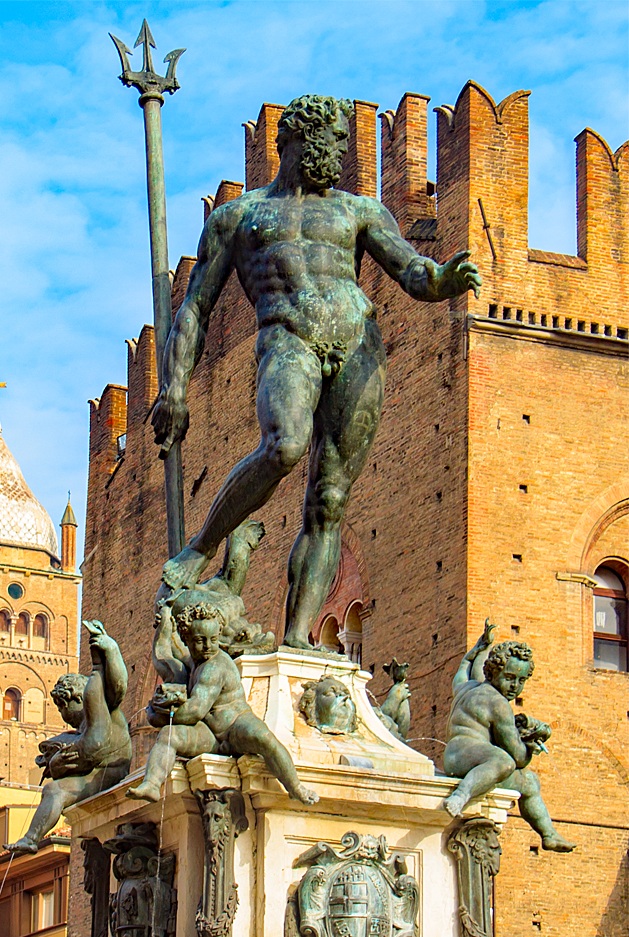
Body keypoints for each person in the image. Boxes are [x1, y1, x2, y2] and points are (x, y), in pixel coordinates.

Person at [153, 94, 481, 650]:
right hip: (287, 340)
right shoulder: (236, 219)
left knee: (329, 500)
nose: (337, 152)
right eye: (327, 141)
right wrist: (174, 390)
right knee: (284, 445)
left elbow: (412, 270)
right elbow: (194, 309)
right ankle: (201, 547)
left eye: (341, 142)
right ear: (294, 141)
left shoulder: (359, 212)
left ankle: (300, 641)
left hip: (358, 346)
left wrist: (443, 280)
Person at [127, 600, 318, 805]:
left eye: (213, 639)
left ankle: (296, 786)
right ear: (187, 639)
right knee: (169, 735)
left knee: (264, 739)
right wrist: (164, 625)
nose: (208, 646)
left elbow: (194, 712)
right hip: (210, 734)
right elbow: (164, 657)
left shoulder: (215, 666)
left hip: (235, 725)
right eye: (200, 640)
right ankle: (152, 785)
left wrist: (160, 713)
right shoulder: (194, 660)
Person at [443, 620, 575, 852]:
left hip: (458, 756)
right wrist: (532, 744)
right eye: (510, 677)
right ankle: (462, 795)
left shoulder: (468, 688)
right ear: (493, 672)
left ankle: (549, 834)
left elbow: (461, 673)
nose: (515, 686)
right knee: (504, 761)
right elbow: (517, 757)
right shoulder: (499, 704)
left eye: (521, 680)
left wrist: (477, 650)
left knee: (530, 783)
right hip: (469, 758)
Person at [4, 621, 132, 853]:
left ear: (75, 699)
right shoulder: (88, 715)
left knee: (55, 790)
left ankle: (32, 838)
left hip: (111, 771)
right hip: (101, 772)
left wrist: (109, 649)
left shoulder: (95, 697)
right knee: (54, 790)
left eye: (62, 708)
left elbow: (97, 743)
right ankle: (31, 838)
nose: (64, 716)